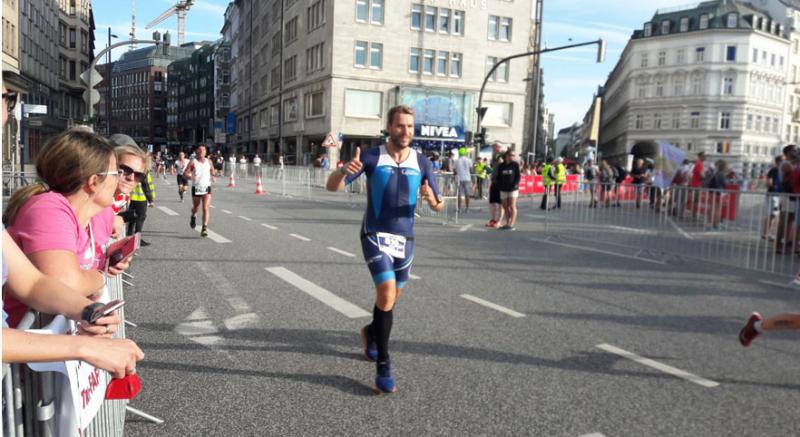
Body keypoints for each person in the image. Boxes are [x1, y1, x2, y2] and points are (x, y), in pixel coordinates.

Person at [325, 105, 443, 394]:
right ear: (389, 127)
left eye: (410, 126)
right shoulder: (372, 156)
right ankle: (384, 364)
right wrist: (342, 170)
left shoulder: (422, 162)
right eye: (400, 126)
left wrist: (431, 199)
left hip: (406, 240)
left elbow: (439, 204)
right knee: (387, 293)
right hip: (375, 234)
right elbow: (331, 187)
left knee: (388, 301)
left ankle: (370, 332)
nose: (406, 131)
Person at [3, 129, 131, 327]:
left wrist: (109, 259)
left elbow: (77, 267)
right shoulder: (48, 208)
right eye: (117, 173)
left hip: (58, 333)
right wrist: (100, 278)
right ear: (93, 182)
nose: (120, 180)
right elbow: (66, 282)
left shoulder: (91, 214)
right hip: (25, 337)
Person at [184, 144, 216, 237]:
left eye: (203, 150)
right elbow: (185, 174)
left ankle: (204, 228)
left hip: (207, 187)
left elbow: (213, 171)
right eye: (200, 150)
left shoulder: (209, 161)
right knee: (196, 207)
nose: (202, 151)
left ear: (206, 152)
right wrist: (191, 177)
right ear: (196, 151)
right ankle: (193, 216)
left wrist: (213, 176)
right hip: (196, 187)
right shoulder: (193, 162)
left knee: (205, 208)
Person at [125, 159, 155, 247]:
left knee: (131, 218)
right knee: (140, 218)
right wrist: (150, 199)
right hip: (141, 197)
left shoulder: (133, 167)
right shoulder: (143, 169)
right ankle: (137, 240)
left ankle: (128, 238)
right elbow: (145, 185)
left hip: (131, 197)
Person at [496, 150, 521, 230]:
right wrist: (499, 185)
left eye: (513, 155)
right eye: (511, 155)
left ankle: (511, 224)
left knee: (512, 206)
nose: (512, 157)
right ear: (506, 156)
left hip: (513, 189)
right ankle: (507, 223)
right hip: (503, 188)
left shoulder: (515, 164)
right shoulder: (501, 166)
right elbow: (498, 176)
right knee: (505, 206)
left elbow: (518, 176)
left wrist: (515, 184)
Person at [762, 156, 783, 240]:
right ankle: (766, 233)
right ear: (778, 162)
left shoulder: (779, 171)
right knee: (772, 214)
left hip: (776, 195)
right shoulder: (774, 170)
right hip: (774, 195)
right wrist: (774, 187)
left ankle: (767, 233)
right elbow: (769, 182)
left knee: (773, 215)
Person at [486, 144, 504, 227]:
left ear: (499, 148)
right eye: (493, 147)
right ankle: (493, 220)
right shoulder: (493, 157)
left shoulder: (503, 155)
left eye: (495, 147)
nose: (494, 148)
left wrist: (501, 161)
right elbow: (492, 168)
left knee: (501, 203)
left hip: (501, 182)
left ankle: (499, 221)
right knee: (492, 202)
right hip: (494, 182)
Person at [453, 147, 473, 212]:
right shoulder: (469, 160)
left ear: (459, 153)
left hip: (459, 179)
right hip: (467, 178)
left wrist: (456, 173)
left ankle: (459, 208)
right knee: (467, 194)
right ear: (465, 153)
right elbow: (471, 170)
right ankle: (467, 208)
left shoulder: (456, 161)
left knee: (459, 195)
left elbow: (454, 171)